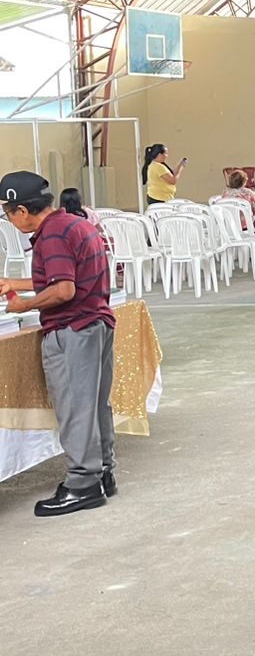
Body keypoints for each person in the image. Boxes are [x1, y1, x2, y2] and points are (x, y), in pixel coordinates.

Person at [0, 171, 118, 517]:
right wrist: (16, 283)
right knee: (95, 405)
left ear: (22, 210)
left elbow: (63, 289)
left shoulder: (50, 236)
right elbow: (63, 275)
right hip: (95, 322)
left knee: (75, 408)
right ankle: (102, 472)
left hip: (72, 329)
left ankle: (82, 484)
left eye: (8, 213)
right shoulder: (74, 224)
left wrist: (24, 305)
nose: (9, 221)